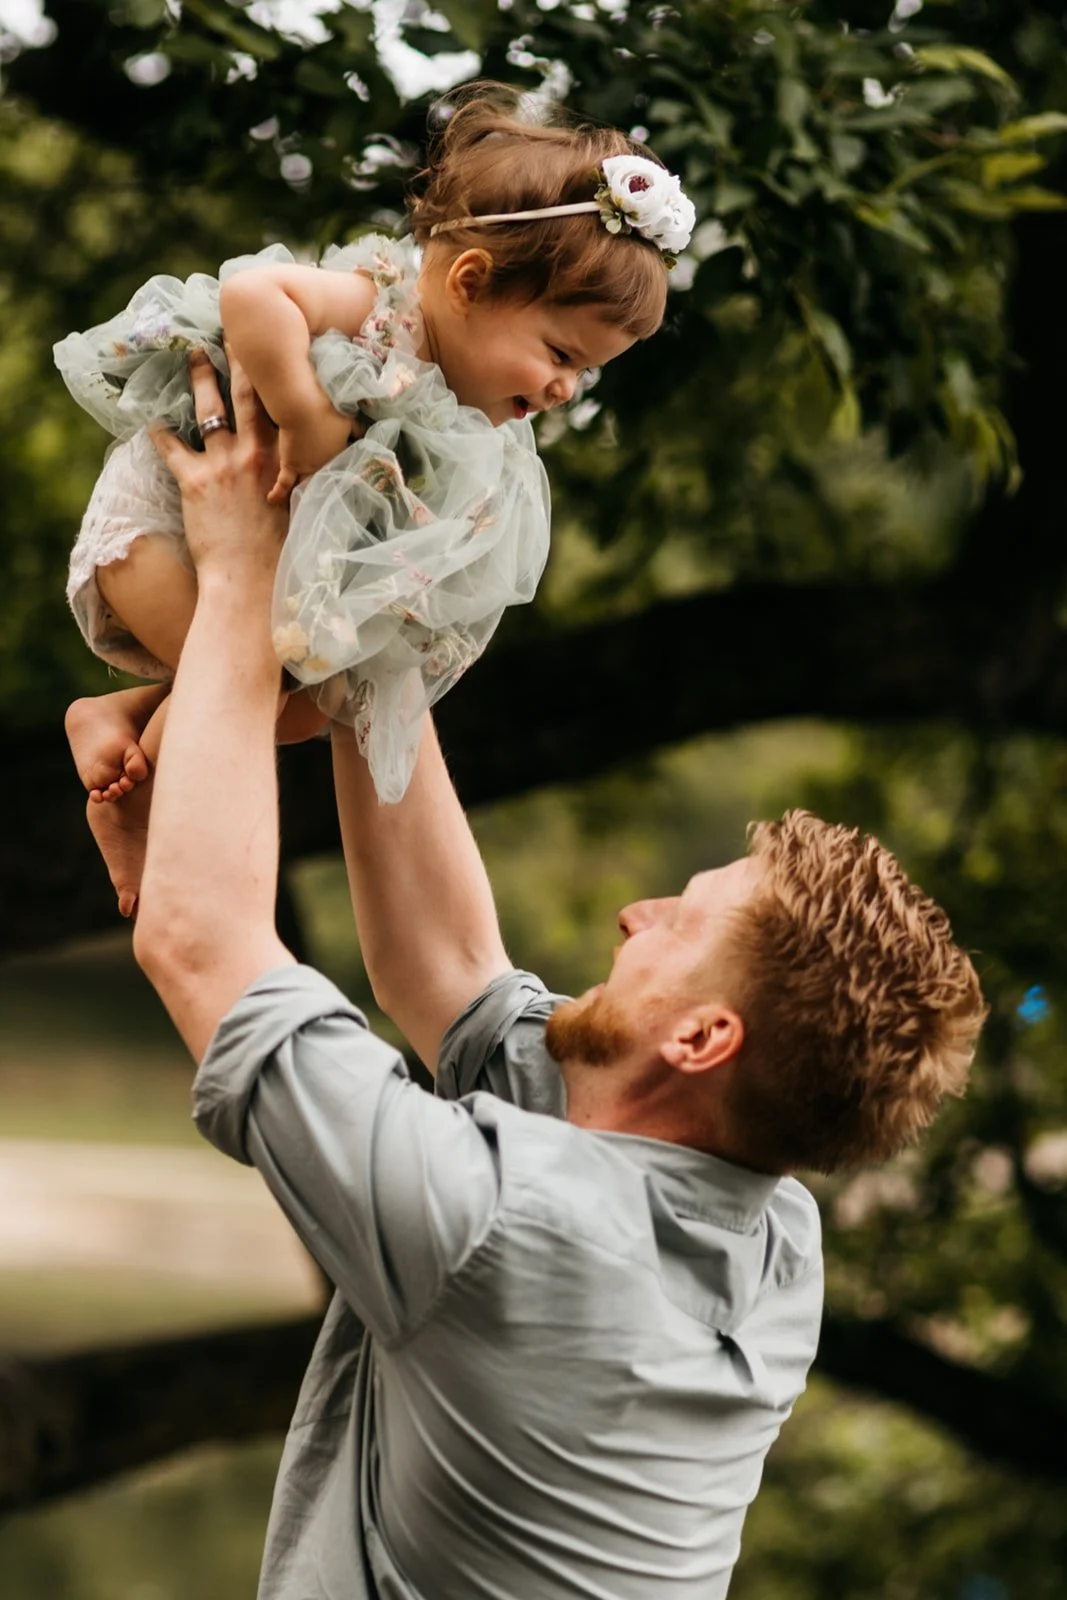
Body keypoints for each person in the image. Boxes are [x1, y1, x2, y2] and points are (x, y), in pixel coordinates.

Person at [88, 350, 987, 1600]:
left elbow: (201, 937)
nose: (631, 913)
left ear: (702, 1041)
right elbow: (444, 966)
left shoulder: (508, 1229)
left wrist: (241, 561)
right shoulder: (766, 1235)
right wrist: (367, 593)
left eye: (675, 924)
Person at [58, 86, 695, 887]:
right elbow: (253, 295)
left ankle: (121, 717)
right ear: (467, 282)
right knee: (244, 698)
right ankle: (136, 815)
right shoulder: (375, 306)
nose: (568, 388)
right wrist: (300, 411)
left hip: (243, 580)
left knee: (298, 713)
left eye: (588, 373)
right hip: (162, 534)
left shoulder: (468, 435)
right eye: (561, 354)